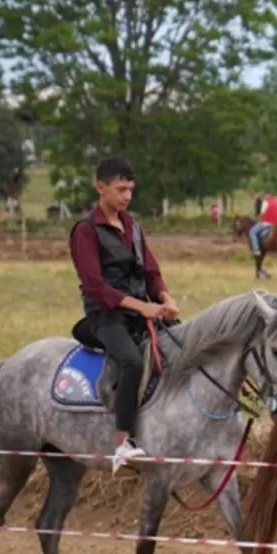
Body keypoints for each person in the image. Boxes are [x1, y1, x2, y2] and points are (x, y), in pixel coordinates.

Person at [68, 156, 180, 471]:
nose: (127, 196)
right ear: (100, 188)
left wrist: (165, 297)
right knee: (131, 361)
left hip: (139, 311)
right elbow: (95, 287)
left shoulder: (133, 226)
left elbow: (151, 270)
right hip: (105, 317)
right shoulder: (85, 231)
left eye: (130, 189)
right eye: (120, 189)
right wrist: (141, 306)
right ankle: (121, 442)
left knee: (181, 345)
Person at [248, 192, 277, 276]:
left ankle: (256, 250)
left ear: (267, 195)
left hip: (266, 222)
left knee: (252, 232)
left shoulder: (265, 202)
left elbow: (262, 213)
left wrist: (259, 220)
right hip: (276, 223)